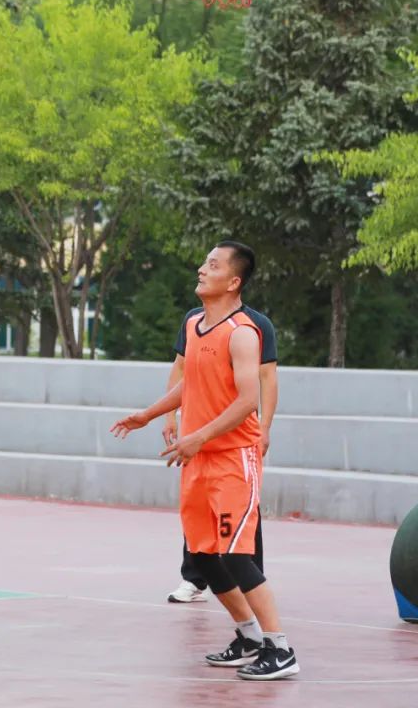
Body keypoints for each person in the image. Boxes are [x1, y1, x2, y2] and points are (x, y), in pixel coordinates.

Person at [111, 241, 299, 681]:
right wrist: (149, 414)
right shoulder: (195, 324)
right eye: (203, 263)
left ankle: (281, 649)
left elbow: (248, 399)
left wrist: (198, 436)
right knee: (204, 555)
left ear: (233, 281)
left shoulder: (242, 332)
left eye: (212, 265)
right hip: (198, 460)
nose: (201, 269)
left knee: (236, 556)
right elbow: (192, 383)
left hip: (233, 459)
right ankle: (249, 637)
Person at [165, 305, 277, 604]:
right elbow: (182, 369)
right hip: (200, 446)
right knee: (198, 526)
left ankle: (253, 588)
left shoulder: (253, 326)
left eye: (212, 271)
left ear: (233, 282)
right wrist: (166, 415)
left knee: (242, 523)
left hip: (234, 449)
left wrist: (265, 427)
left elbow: (267, 377)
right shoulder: (194, 321)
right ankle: (195, 579)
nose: (201, 279)